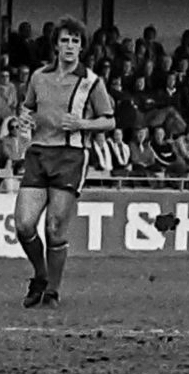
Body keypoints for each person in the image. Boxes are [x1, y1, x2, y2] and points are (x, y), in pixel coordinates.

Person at [12, 19, 117, 307]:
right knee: (23, 224)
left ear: (82, 47)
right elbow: (28, 109)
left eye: (75, 41)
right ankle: (41, 274)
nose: (70, 46)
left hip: (70, 157)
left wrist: (83, 123)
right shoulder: (39, 77)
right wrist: (24, 119)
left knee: (55, 227)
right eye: (65, 40)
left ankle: (53, 292)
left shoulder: (91, 82)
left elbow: (109, 121)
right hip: (39, 153)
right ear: (56, 45)